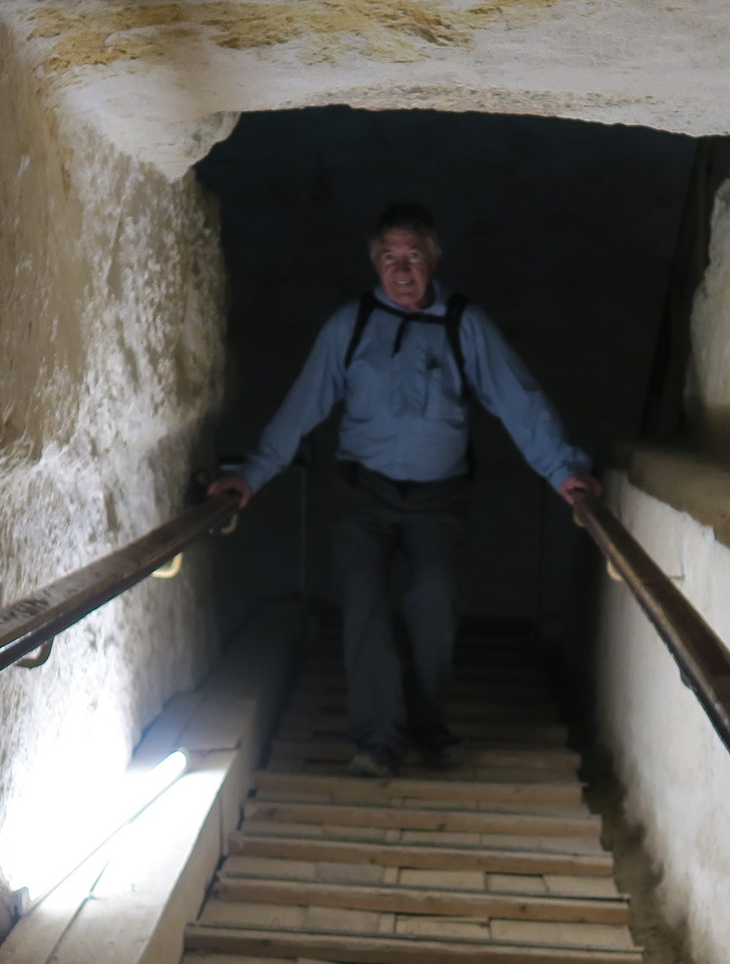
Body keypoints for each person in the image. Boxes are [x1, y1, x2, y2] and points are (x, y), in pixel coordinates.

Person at [209, 201, 601, 777]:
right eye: (389, 257)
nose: (401, 269)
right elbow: (304, 404)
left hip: (438, 499)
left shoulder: (463, 322)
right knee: (364, 603)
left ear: (433, 260)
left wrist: (562, 469)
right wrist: (251, 475)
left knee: (434, 603)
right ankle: (377, 741)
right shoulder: (352, 324)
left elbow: (517, 398)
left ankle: (427, 726)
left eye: (412, 256)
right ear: (374, 263)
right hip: (363, 495)